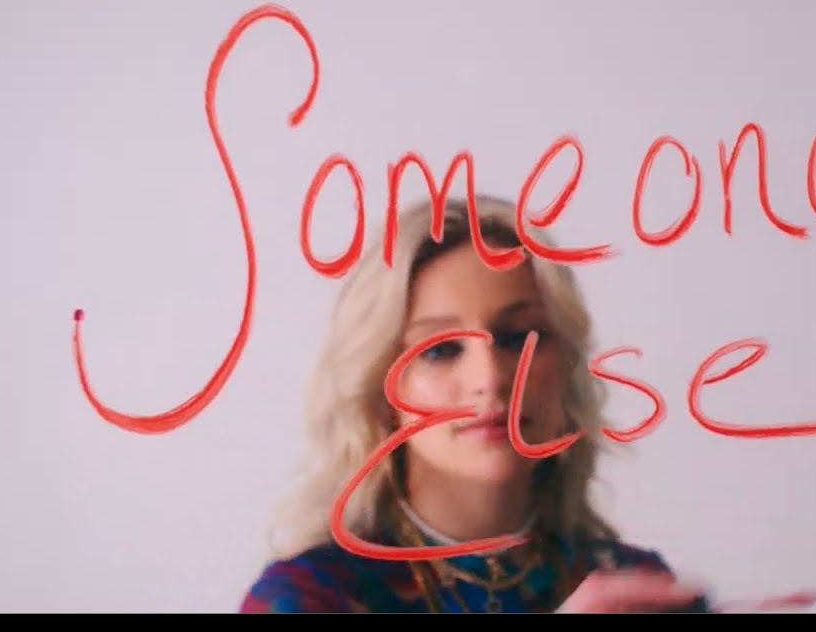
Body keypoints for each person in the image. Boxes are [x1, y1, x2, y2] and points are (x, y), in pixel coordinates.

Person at [239, 194, 710, 613]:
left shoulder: (632, 589)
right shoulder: (307, 597)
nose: (491, 378)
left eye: (519, 337)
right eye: (441, 349)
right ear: (380, 391)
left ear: (566, 369)